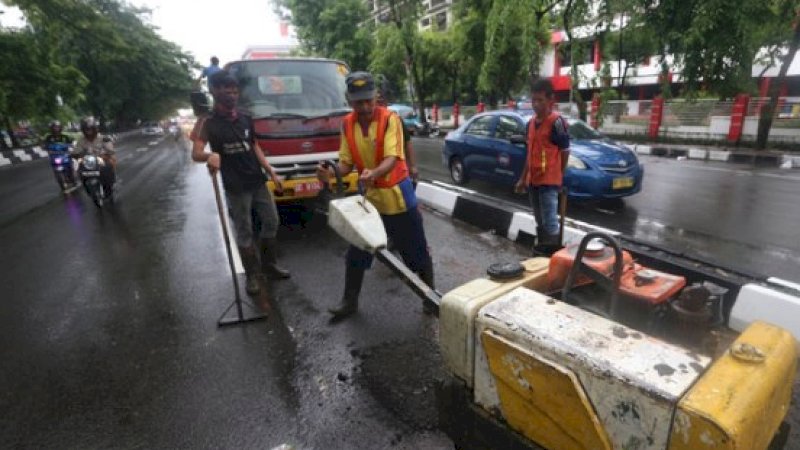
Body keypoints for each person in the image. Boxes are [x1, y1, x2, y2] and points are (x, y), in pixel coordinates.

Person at [316, 71, 435, 322]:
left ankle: (430, 298)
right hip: (370, 199)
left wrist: (374, 172)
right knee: (358, 251)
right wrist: (331, 172)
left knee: (416, 252)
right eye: (359, 102)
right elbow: (347, 164)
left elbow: (392, 158)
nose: (366, 106)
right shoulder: (347, 124)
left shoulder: (390, 119)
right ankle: (349, 302)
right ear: (350, 101)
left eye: (369, 100)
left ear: (376, 97)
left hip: (398, 199)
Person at [191, 70, 290, 296]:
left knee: (271, 222)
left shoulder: (245, 117)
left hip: (257, 180)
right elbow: (196, 153)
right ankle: (252, 276)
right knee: (244, 230)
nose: (231, 95)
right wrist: (209, 156)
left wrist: (271, 171)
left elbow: (254, 146)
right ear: (214, 91)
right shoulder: (207, 122)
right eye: (226, 90)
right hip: (235, 186)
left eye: (235, 90)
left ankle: (269, 265)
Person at [514, 78, 570, 253]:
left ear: (550, 100)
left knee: (550, 221)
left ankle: (552, 256)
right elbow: (530, 154)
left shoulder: (557, 123)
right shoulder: (530, 124)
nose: (536, 104)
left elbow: (565, 150)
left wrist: (559, 175)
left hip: (549, 182)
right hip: (533, 181)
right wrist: (523, 179)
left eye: (540, 100)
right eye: (534, 100)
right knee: (539, 220)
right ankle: (543, 252)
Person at [375, 80, 419, 186]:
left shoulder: (395, 119)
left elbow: (408, 143)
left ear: (386, 103)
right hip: (376, 177)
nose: (380, 106)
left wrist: (412, 166)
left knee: (411, 202)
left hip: (399, 174)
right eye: (377, 102)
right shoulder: (367, 123)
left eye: (382, 102)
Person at [74, 116, 116, 193]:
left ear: (95, 129)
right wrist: (75, 154)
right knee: (79, 170)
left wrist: (107, 152)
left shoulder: (103, 138)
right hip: (88, 161)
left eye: (90, 129)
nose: (88, 132)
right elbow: (76, 150)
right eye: (86, 129)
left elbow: (110, 149)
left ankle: (110, 183)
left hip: (101, 158)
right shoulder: (81, 140)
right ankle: (86, 186)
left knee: (109, 164)